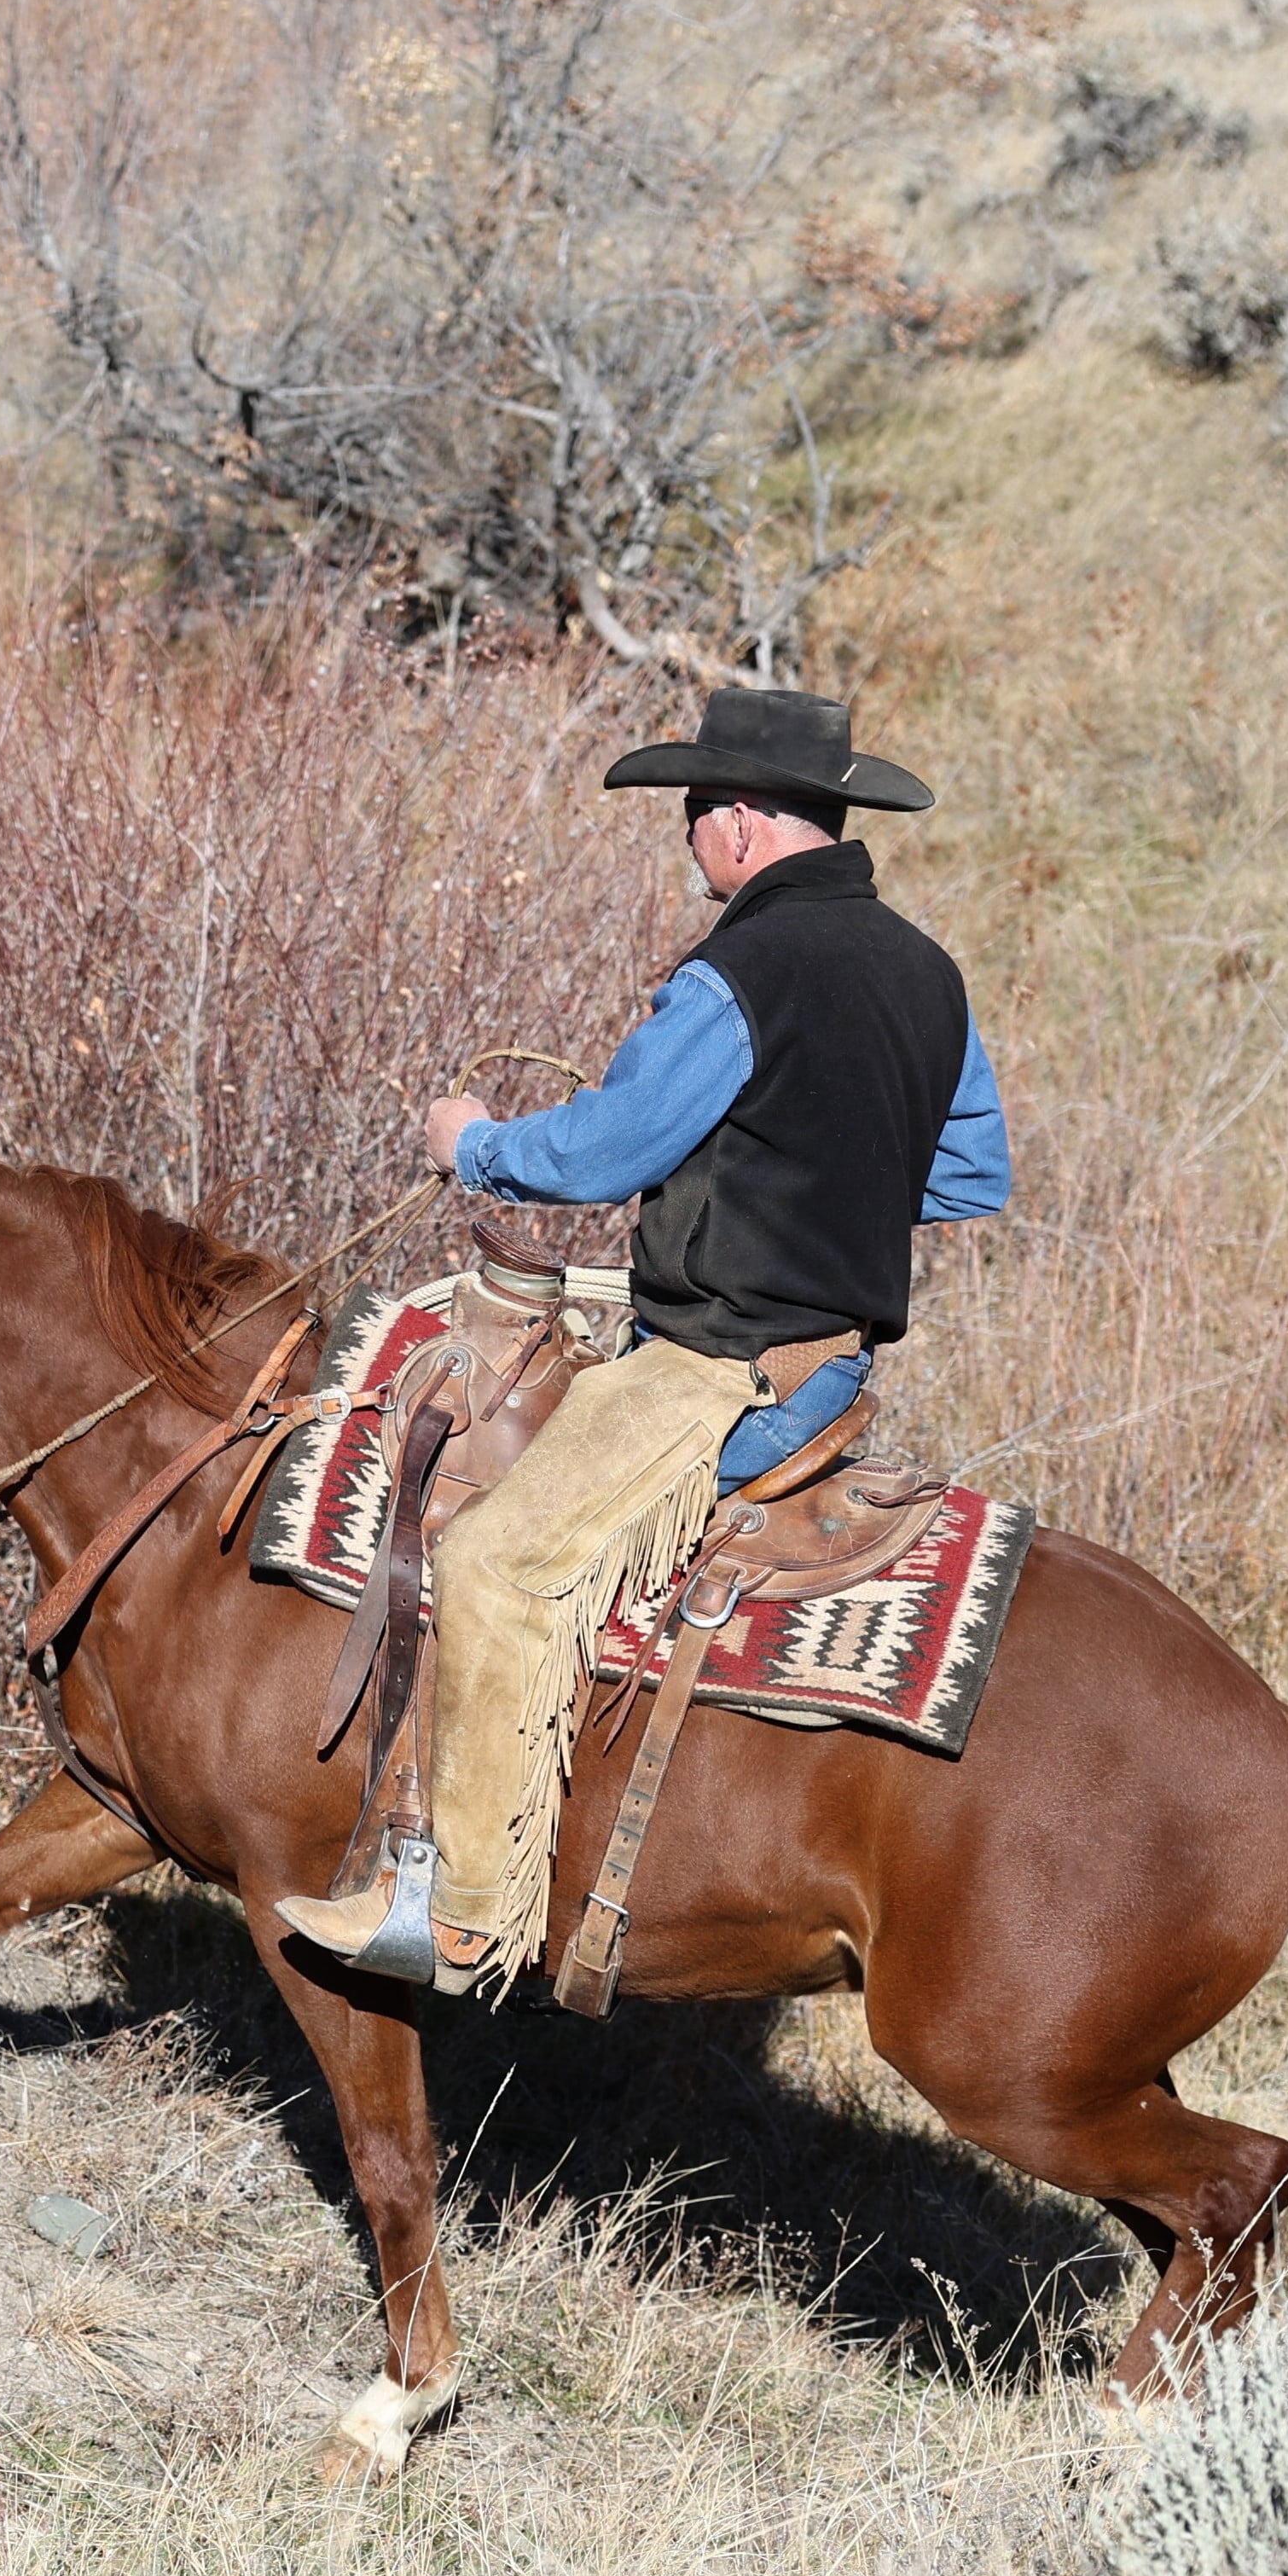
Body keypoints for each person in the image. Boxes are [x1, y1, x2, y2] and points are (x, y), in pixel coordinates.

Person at [277, 685, 1008, 1995]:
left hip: (719, 1368)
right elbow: (969, 1176)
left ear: (737, 823)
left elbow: (607, 1151)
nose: (689, 844)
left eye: (690, 817)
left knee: (497, 1559)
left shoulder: (740, 974)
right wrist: (814, 1176)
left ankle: (454, 1921)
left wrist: (474, 1147)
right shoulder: (927, 972)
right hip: (825, 1351)